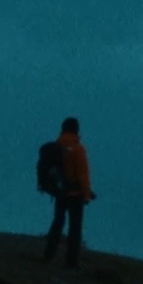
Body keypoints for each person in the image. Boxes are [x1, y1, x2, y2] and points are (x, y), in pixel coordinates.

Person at [43, 116, 95, 271]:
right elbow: (82, 174)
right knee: (75, 228)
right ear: (76, 130)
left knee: (57, 222)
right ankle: (71, 262)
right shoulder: (78, 149)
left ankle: (48, 254)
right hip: (75, 194)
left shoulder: (56, 146)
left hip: (60, 192)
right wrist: (86, 194)